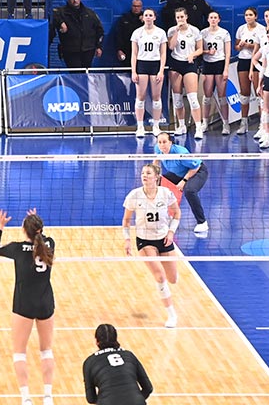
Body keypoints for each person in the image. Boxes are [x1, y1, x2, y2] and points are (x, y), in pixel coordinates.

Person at [0, 208, 56, 405]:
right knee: (46, 351)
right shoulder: (50, 244)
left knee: (19, 352)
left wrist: (0, 226)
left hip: (23, 304)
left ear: (24, 230)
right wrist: (34, 221)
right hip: (45, 303)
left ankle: (26, 398)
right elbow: (42, 238)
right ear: (40, 230)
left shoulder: (17, 249)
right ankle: (47, 396)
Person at [122, 163, 180, 328]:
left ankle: (168, 283)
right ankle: (171, 315)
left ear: (156, 177)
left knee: (173, 279)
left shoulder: (165, 193)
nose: (144, 176)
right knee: (160, 277)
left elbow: (176, 213)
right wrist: (127, 239)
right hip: (144, 240)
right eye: (142, 173)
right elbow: (126, 220)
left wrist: (171, 232)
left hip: (164, 238)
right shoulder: (134, 195)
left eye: (148, 173)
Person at [83, 324, 153, 405]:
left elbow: (91, 398)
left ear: (96, 341)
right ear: (116, 339)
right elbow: (148, 388)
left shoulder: (89, 362)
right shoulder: (129, 355)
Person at [154, 132, 209, 233]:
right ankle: (167, 217)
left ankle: (202, 222)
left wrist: (184, 181)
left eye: (164, 142)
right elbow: (156, 160)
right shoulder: (158, 149)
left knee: (189, 191)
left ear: (170, 142)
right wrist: (155, 174)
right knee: (158, 184)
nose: (162, 145)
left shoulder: (180, 152)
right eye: (159, 142)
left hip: (197, 171)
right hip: (179, 173)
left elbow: (195, 167)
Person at [167, 7, 205, 138]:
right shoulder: (172, 30)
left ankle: (198, 127)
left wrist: (192, 55)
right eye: (178, 18)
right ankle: (181, 125)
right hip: (176, 63)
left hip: (189, 64)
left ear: (186, 17)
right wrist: (176, 31)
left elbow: (200, 49)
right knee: (177, 99)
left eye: (182, 17)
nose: (180, 20)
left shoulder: (194, 30)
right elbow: (171, 47)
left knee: (193, 98)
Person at [132, 8, 167, 138]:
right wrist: (134, 71)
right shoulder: (137, 33)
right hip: (142, 64)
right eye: (146, 15)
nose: (148, 17)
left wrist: (161, 70)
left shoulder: (160, 33)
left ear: (154, 17)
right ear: (143, 17)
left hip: (155, 64)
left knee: (156, 97)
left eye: (150, 15)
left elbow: (163, 53)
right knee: (140, 96)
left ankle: (156, 126)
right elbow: (134, 53)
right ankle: (140, 126)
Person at [51, 0, 104, 69]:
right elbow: (52, 14)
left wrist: (99, 46)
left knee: (85, 74)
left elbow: (99, 30)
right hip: (70, 51)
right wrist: (61, 22)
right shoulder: (61, 12)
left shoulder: (89, 13)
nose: (75, 0)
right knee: (74, 75)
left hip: (88, 50)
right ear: (68, 0)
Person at [200, 10, 232, 134]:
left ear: (219, 19)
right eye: (211, 17)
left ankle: (226, 124)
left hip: (220, 63)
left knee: (222, 96)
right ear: (208, 19)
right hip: (207, 64)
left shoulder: (224, 33)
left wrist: (226, 69)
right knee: (207, 96)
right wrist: (207, 52)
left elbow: (228, 53)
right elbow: (198, 49)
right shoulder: (203, 33)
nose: (213, 20)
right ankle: (205, 123)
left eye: (215, 17)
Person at [235, 7, 263, 135]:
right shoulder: (241, 29)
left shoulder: (261, 29)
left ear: (255, 16)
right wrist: (240, 46)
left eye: (250, 15)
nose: (248, 17)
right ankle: (243, 122)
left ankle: (262, 124)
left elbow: (263, 47)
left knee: (259, 92)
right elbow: (236, 47)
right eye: (246, 15)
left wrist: (250, 46)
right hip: (243, 61)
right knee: (244, 92)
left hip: (257, 61)